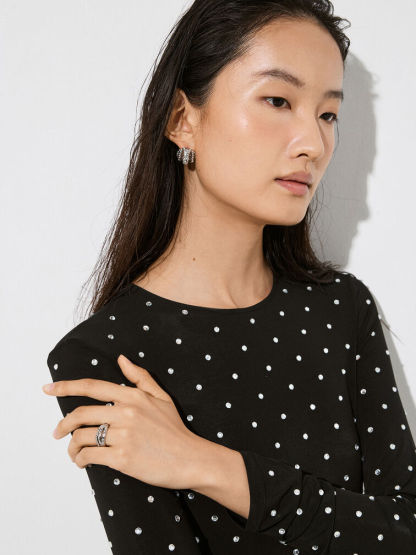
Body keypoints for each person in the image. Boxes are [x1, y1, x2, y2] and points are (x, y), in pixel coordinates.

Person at [44, 0, 416, 553]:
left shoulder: (343, 309)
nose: (313, 144)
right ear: (182, 120)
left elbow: (406, 530)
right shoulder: (105, 357)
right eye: (277, 100)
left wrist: (203, 463)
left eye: (328, 114)